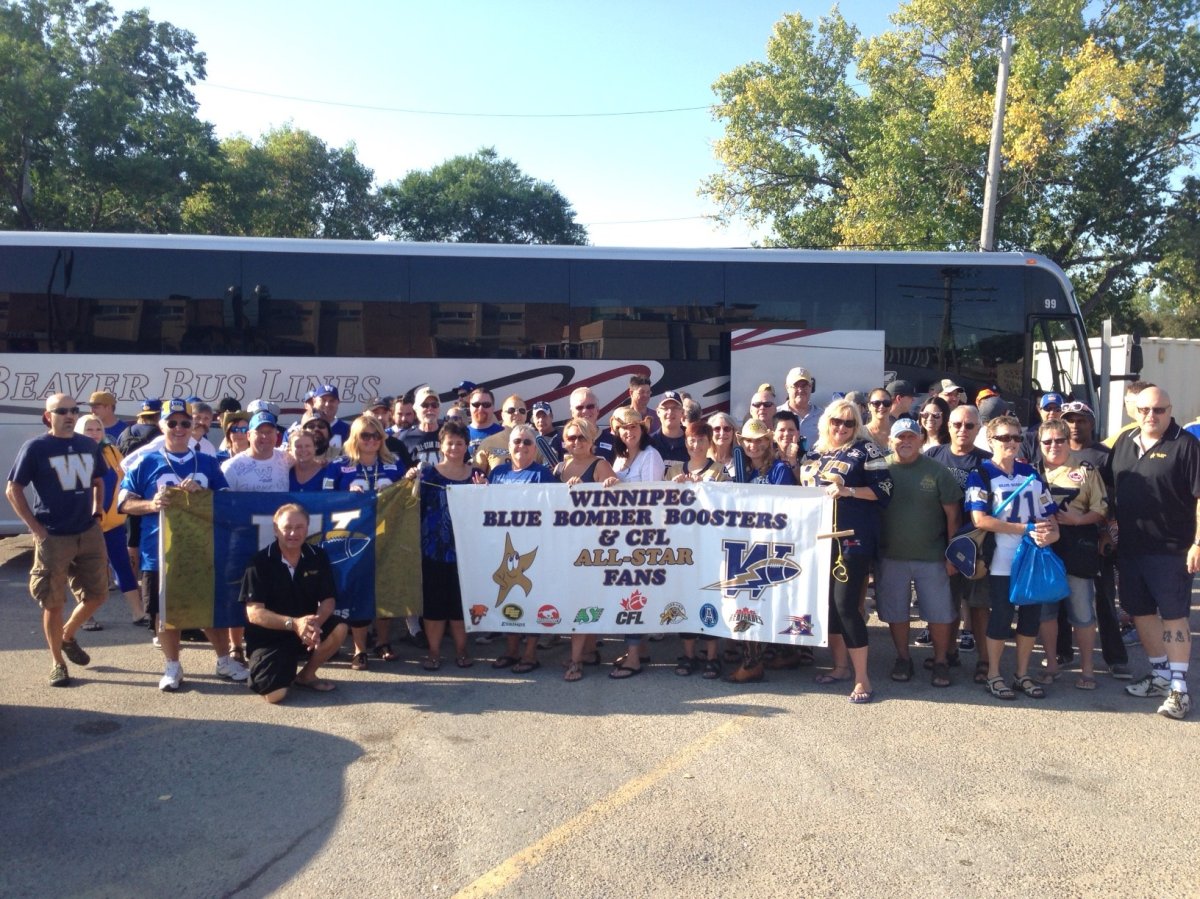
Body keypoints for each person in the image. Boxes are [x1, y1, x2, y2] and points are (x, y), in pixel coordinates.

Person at [118, 398, 247, 691]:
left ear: (193, 426)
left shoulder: (207, 462)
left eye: (184, 423)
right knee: (164, 611)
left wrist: (201, 493)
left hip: (201, 549)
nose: (178, 428)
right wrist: (152, 504)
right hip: (158, 552)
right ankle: (172, 666)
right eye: (172, 422)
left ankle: (224, 660)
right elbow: (124, 503)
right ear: (161, 425)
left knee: (208, 608)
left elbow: (225, 502)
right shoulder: (145, 461)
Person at [1103, 386, 1200, 720]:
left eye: (1159, 410)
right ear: (1135, 410)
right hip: (1130, 549)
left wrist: (1198, 544)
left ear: (1170, 411)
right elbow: (1109, 488)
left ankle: (1179, 689)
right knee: (1139, 612)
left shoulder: (1186, 446)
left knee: (1174, 617)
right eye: (1144, 410)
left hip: (1172, 551)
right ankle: (1159, 675)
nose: (1151, 416)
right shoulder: (1124, 443)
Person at [6, 395, 109, 686]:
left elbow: (100, 479)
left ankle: (67, 635)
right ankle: (57, 662)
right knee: (53, 602)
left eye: (74, 410)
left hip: (88, 531)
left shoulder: (88, 444)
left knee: (99, 594)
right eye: (61, 411)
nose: (69, 415)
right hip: (53, 535)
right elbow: (13, 489)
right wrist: (35, 528)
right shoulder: (36, 447)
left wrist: (98, 510)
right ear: (47, 416)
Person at [798, 400, 892, 703]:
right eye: (837, 421)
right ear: (826, 421)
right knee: (828, 607)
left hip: (852, 540)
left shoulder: (867, 450)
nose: (841, 427)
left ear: (857, 426)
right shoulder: (812, 453)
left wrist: (849, 491)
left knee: (847, 606)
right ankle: (839, 667)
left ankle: (863, 678)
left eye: (849, 423)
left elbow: (886, 491)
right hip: (817, 541)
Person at [965, 414, 1060, 702]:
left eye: (1017, 437)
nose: (1012, 443)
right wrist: (1025, 528)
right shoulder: (980, 474)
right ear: (991, 440)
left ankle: (1022, 674)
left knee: (1031, 618)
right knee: (1002, 617)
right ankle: (994, 674)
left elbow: (1051, 519)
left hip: (1032, 558)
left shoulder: (1031, 474)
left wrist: (1051, 535)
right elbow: (980, 520)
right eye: (1005, 437)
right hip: (1000, 559)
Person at [879, 418, 962, 687]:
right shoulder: (878, 468)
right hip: (891, 555)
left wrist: (952, 554)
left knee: (939, 614)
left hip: (933, 556)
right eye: (900, 437)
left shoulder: (937, 472)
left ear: (921, 440)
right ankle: (903, 658)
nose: (905, 442)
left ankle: (940, 661)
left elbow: (953, 516)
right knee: (896, 612)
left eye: (911, 437)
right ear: (890, 441)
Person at [239, 503, 349, 701]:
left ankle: (306, 676)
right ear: (275, 529)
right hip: (270, 637)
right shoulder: (259, 562)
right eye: (287, 527)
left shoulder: (318, 556)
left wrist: (314, 624)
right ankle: (276, 667)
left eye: (299, 527)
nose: (293, 533)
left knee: (339, 628)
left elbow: (328, 600)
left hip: (305, 630)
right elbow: (254, 613)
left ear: (307, 528)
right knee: (275, 696)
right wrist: (294, 624)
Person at [322, 415, 406, 670]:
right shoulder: (338, 465)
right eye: (365, 435)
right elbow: (324, 498)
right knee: (358, 589)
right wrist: (346, 497)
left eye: (376, 436)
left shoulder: (394, 464)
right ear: (355, 438)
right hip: (352, 539)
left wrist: (410, 482)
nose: (371, 440)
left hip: (387, 537)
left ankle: (382, 641)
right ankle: (359, 648)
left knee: (383, 588)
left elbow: (408, 499)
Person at [406, 421, 486, 671]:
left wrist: (484, 492)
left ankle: (462, 651)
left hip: (466, 552)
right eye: (449, 442)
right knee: (434, 606)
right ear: (441, 445)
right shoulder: (426, 474)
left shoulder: (476, 476)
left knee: (460, 606)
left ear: (466, 446)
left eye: (459, 443)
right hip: (431, 551)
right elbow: (407, 504)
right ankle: (433, 653)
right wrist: (408, 480)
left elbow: (487, 512)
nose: (454, 447)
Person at [723, 418, 799, 683]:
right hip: (750, 546)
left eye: (758, 440)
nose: (753, 445)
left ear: (768, 442)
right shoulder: (743, 471)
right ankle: (758, 658)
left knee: (759, 602)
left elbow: (788, 507)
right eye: (748, 441)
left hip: (774, 546)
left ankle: (756, 662)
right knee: (751, 602)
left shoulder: (779, 469)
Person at [925, 404, 993, 681]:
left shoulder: (988, 462)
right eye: (957, 424)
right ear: (947, 426)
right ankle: (949, 652)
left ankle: (985, 660)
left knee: (978, 605)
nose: (962, 430)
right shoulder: (932, 456)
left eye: (969, 425)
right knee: (946, 603)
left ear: (978, 429)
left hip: (978, 545)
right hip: (940, 543)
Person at [1037, 419, 1105, 690]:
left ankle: (1087, 669)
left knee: (1082, 612)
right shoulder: (1032, 471)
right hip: (1043, 549)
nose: (1054, 446)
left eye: (1059, 440)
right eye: (1047, 441)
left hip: (1078, 547)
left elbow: (1101, 509)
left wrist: (1077, 520)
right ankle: (1052, 664)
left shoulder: (1086, 469)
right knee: (1046, 612)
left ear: (1068, 440)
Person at [487, 424, 557, 675]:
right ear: (509, 446)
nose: (522, 446)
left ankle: (530, 653)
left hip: (532, 548)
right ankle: (511, 650)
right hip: (503, 547)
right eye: (517, 441)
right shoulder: (497, 473)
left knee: (531, 597)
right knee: (508, 596)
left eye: (528, 442)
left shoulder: (542, 474)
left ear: (534, 447)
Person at [556, 418, 619, 682]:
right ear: (563, 442)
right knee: (578, 600)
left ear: (592, 441)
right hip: (564, 544)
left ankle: (575, 661)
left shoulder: (600, 465)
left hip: (591, 547)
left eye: (582, 438)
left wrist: (607, 487)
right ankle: (589, 651)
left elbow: (613, 505)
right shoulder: (560, 466)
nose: (576, 442)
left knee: (580, 603)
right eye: (571, 438)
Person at [667, 420, 729, 678]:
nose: (696, 445)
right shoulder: (672, 471)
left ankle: (712, 655)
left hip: (709, 546)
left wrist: (705, 488)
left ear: (709, 442)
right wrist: (675, 489)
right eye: (692, 440)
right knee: (685, 598)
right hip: (682, 546)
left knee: (710, 597)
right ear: (686, 442)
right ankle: (689, 653)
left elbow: (726, 505)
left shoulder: (718, 470)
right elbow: (661, 508)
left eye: (701, 440)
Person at [609, 407, 667, 680]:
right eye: (624, 428)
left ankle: (633, 658)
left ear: (642, 430)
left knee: (634, 594)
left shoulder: (650, 456)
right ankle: (639, 649)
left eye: (634, 427)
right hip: (623, 534)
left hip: (643, 534)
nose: (629, 432)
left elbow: (653, 499)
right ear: (617, 431)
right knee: (630, 592)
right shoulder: (619, 458)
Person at [74, 414, 145, 626]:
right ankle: (86, 617)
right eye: (89, 429)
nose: (94, 434)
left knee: (123, 565)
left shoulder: (112, 451)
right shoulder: (74, 454)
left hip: (112, 523)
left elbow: (125, 480)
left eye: (98, 429)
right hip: (84, 524)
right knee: (86, 570)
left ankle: (138, 612)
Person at [220, 411, 290, 492]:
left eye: (269, 432)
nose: (264, 436)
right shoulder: (231, 467)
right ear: (249, 435)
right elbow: (222, 501)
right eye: (259, 432)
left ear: (276, 435)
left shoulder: (287, 459)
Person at [567, 386, 617, 461]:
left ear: (597, 410)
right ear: (572, 412)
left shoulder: (613, 441)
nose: (585, 411)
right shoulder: (561, 440)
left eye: (590, 406)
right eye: (579, 407)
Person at [402, 386, 444, 466]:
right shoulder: (405, 438)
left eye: (434, 405)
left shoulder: (449, 434)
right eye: (425, 405)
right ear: (415, 409)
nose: (430, 408)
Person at [1020, 392, 1065, 465]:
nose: (1052, 412)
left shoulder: (1070, 435)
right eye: (1047, 408)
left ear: (1063, 411)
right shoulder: (1027, 438)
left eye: (1057, 409)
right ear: (1039, 410)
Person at [783, 366, 822, 448]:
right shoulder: (777, 414)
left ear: (810, 387)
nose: (800, 390)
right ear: (787, 388)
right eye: (796, 386)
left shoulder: (823, 416)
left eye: (804, 385)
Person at [466, 387, 504, 456]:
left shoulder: (504, 434)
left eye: (486, 405)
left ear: (493, 407)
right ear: (470, 407)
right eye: (476, 404)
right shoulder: (461, 434)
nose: (481, 409)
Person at [706, 412, 739, 479]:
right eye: (717, 429)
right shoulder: (703, 459)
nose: (722, 433)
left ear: (733, 432)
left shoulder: (740, 460)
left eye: (727, 429)